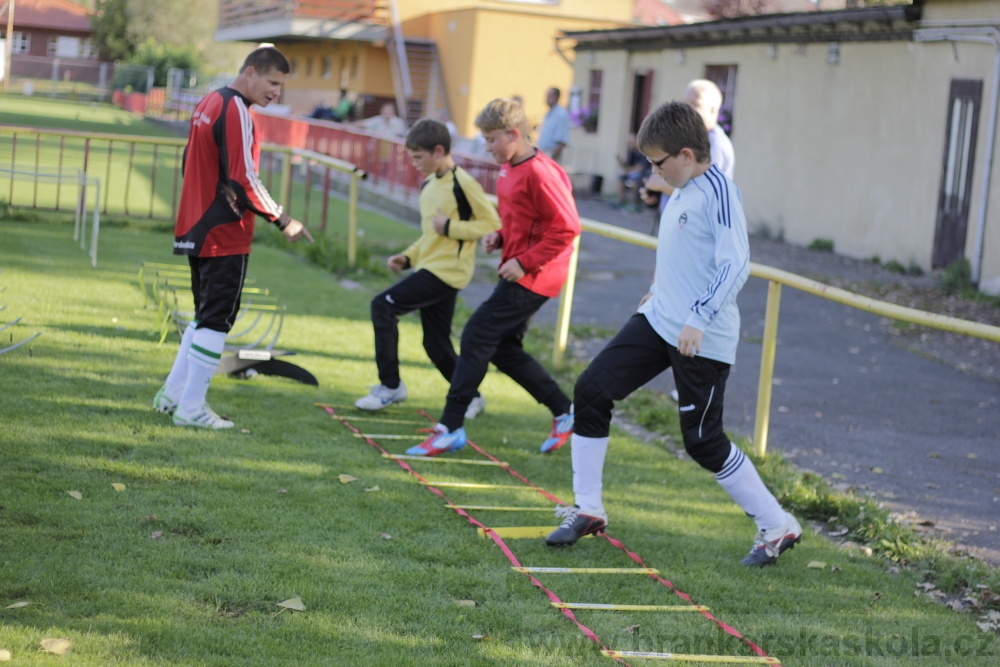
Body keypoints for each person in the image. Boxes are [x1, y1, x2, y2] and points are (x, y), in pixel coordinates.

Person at [546, 102, 802, 567]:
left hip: (700, 334)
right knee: (591, 391)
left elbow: (735, 264)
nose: (653, 171)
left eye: (658, 162)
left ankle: (777, 524)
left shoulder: (719, 192)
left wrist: (698, 318)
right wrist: (656, 292)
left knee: (703, 441)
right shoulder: (680, 187)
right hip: (659, 318)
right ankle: (588, 509)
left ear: (686, 154)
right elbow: (684, 255)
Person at [406, 98, 581, 457]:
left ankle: (450, 426)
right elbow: (524, 218)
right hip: (519, 268)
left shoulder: (540, 172)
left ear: (513, 134)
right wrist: (500, 237)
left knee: (476, 334)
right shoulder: (509, 167)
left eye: (490, 140)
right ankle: (565, 411)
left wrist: (525, 261)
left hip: (534, 275)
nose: (486, 147)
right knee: (502, 348)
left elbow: (566, 228)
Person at [153, 46, 313, 429]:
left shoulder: (209, 101)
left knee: (203, 317)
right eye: (273, 82)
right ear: (251, 72)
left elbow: (188, 161)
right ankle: (191, 409)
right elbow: (244, 178)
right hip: (223, 232)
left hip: (197, 226)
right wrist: (283, 218)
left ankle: (171, 397)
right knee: (216, 321)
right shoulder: (236, 108)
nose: (277, 92)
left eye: (282, 85)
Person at [355, 119, 500, 416]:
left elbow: (492, 224)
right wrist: (408, 257)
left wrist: (450, 226)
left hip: (448, 272)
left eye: (418, 157)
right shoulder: (429, 184)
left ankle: (390, 386)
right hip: (430, 267)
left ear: (438, 151)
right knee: (435, 343)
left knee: (382, 306)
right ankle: (471, 396)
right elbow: (430, 235)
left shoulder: (464, 184)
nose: (414, 164)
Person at [537, 87, 570, 163]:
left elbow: (561, 142)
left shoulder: (561, 113)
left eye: (550, 96)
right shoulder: (549, 113)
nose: (547, 99)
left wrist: (552, 160)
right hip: (543, 153)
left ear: (557, 97)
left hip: (551, 154)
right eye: (547, 96)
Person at [615, 133, 648, 208]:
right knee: (620, 176)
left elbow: (640, 168)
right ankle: (620, 200)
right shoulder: (632, 151)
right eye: (629, 143)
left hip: (643, 174)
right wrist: (620, 161)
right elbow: (627, 165)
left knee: (634, 179)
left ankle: (634, 204)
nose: (630, 144)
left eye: (631, 142)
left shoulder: (643, 152)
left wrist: (627, 171)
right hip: (632, 173)